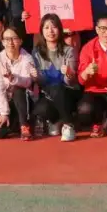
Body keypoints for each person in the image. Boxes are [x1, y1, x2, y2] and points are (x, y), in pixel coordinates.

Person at [32, 14, 81, 142]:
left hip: (68, 92)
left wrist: (69, 73)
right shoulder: (37, 52)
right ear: (41, 31)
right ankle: (57, 120)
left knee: (57, 88)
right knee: (40, 110)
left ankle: (68, 125)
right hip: (49, 94)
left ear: (60, 29)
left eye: (54, 27)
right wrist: (36, 77)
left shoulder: (69, 50)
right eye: (46, 27)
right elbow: (41, 82)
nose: (50, 31)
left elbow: (71, 81)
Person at [0, 26, 38, 140]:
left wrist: (14, 79)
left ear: (21, 41)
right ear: (2, 42)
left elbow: (28, 82)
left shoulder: (27, 58)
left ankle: (24, 125)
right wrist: (4, 113)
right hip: (6, 100)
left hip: (24, 99)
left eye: (14, 38)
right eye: (7, 39)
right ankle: (15, 122)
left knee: (18, 90)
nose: (10, 42)